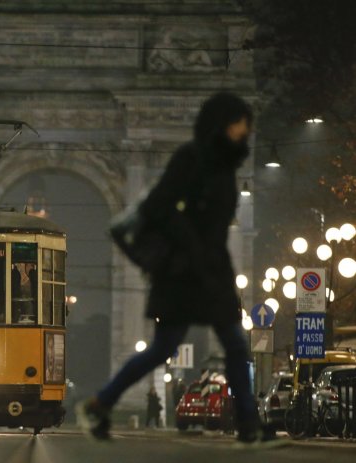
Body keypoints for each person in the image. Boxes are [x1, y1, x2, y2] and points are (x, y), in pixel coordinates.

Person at [76, 93, 269, 445]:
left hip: (212, 269)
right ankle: (100, 403)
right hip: (182, 271)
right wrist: (191, 242)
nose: (247, 128)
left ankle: (248, 425)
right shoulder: (190, 158)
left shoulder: (226, 165)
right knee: (162, 350)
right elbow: (159, 206)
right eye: (241, 120)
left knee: (235, 345)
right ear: (223, 123)